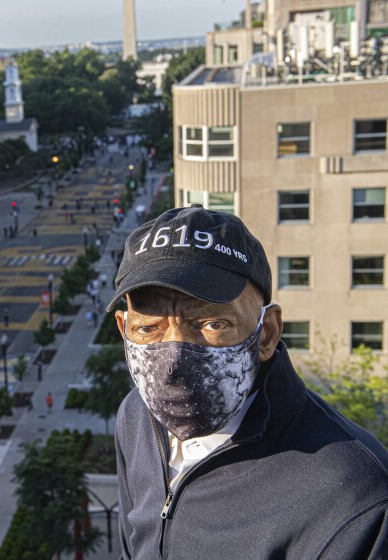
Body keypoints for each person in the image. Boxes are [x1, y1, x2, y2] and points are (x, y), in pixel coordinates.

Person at [108, 205, 388, 559]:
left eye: (212, 324)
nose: (174, 363)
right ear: (124, 329)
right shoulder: (135, 416)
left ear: (267, 333)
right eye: (149, 329)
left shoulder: (354, 496)